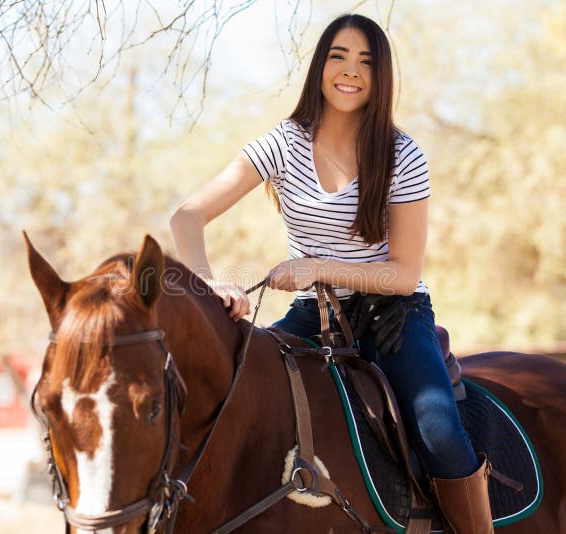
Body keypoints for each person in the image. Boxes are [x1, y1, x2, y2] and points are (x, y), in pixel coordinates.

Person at [170, 13, 493, 534]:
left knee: (438, 429)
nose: (350, 71)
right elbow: (186, 216)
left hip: (394, 313)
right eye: (339, 56)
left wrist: (314, 266)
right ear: (321, 65)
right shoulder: (284, 143)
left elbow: (405, 274)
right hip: (313, 316)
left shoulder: (402, 153)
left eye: (366, 61)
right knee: (239, 398)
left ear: (380, 75)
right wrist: (208, 283)